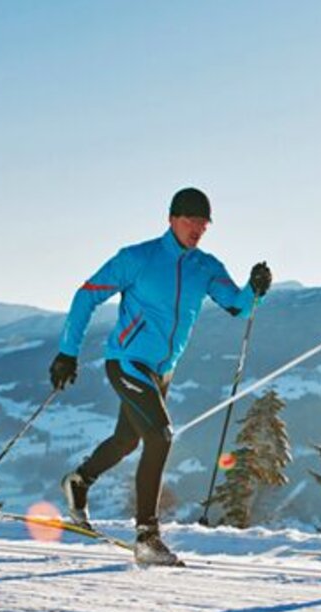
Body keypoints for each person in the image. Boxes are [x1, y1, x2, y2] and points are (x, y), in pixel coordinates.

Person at [48, 187, 273, 566]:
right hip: (127, 360)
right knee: (160, 436)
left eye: (204, 223)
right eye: (191, 221)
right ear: (171, 219)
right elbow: (86, 295)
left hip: (161, 372)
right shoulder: (138, 258)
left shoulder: (206, 267)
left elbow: (238, 306)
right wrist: (67, 351)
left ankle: (79, 481)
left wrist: (256, 287)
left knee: (127, 440)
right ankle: (147, 537)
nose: (198, 229)